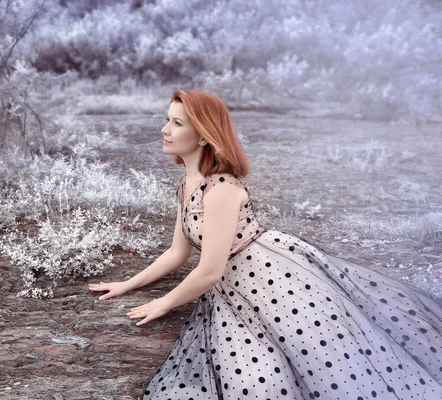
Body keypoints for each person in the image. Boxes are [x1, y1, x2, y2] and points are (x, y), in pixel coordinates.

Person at [88, 90, 442, 399]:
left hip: (268, 276)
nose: (165, 130)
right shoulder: (187, 184)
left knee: (306, 363)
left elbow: (210, 270)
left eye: (177, 123)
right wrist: (127, 284)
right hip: (230, 287)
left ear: (203, 134)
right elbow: (176, 253)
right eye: (167, 120)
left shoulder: (222, 188)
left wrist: (164, 303)